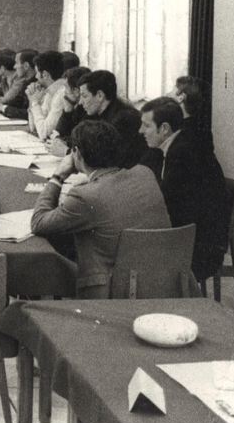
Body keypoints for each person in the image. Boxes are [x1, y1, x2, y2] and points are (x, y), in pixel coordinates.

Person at [31, 120, 171, 298]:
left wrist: (58, 176)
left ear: (76, 153)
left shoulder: (84, 196)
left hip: (112, 292)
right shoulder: (145, 173)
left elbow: (38, 223)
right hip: (162, 281)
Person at [139, 97, 229, 282]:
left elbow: (166, 203)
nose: (141, 131)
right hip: (192, 235)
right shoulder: (176, 144)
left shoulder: (184, 153)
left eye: (146, 125)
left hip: (199, 250)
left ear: (164, 129)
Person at [72, 70, 146, 169]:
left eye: (84, 96)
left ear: (100, 96)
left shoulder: (124, 119)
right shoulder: (96, 112)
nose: (80, 102)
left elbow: (108, 161)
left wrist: (68, 152)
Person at [26, 51, 67, 140]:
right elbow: (34, 128)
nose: (36, 76)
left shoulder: (61, 94)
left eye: (37, 72)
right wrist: (32, 100)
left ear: (45, 75)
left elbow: (44, 134)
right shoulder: (50, 91)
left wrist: (35, 103)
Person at [50, 66, 92, 151]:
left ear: (76, 91)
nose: (64, 92)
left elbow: (75, 140)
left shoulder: (88, 110)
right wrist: (67, 111)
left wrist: (60, 139)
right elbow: (59, 133)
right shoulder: (77, 107)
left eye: (66, 87)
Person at [0, 49, 37, 118]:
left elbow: (27, 113)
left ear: (26, 66)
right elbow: (16, 103)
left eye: (16, 63)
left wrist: (2, 107)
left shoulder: (36, 84)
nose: (14, 67)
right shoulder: (26, 82)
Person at [170, 75, 214, 150]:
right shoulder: (203, 129)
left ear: (181, 97)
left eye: (173, 89)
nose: (169, 93)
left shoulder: (175, 130)